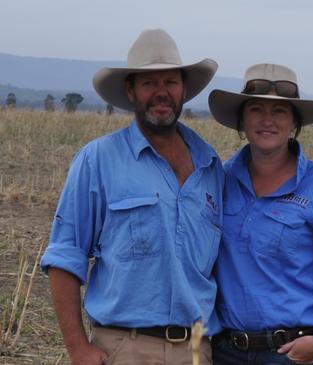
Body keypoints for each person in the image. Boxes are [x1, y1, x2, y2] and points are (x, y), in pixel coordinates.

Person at [40, 29, 223, 365]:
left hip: (198, 349)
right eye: (149, 83)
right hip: (126, 347)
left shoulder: (210, 165)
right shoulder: (98, 159)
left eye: (170, 82)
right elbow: (66, 256)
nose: (161, 93)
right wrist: (77, 347)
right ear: (130, 90)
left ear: (184, 89)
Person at [208, 63, 313, 365]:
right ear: (241, 122)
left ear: (294, 123)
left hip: (294, 354)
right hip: (224, 352)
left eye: (280, 111)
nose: (267, 120)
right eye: (256, 109)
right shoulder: (218, 181)